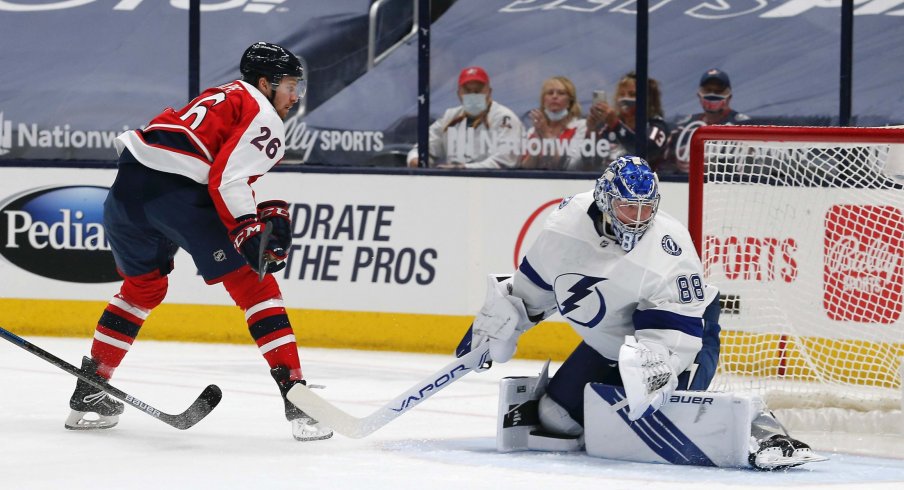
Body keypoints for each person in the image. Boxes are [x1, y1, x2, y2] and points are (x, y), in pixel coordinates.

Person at [456, 156, 824, 470]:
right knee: (556, 420)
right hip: (611, 343)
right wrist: (497, 325)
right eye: (628, 207)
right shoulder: (563, 228)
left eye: (647, 208)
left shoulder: (670, 247)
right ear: (604, 200)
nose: (638, 218)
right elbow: (530, 291)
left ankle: (763, 430)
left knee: (663, 407)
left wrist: (655, 368)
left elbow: (675, 332)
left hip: (687, 333)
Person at [64, 42, 332, 442]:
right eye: (291, 86)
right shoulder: (263, 112)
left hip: (127, 191)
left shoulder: (221, 94)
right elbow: (227, 178)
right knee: (256, 286)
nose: (295, 96)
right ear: (265, 83)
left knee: (141, 288)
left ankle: (90, 389)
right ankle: (297, 399)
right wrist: (248, 228)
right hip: (178, 196)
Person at [406, 66, 522, 169]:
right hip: (454, 185)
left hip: (495, 186)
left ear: (489, 92)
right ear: (458, 94)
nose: (473, 95)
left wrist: (464, 168)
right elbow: (422, 148)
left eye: (478, 91)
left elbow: (505, 161)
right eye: (467, 91)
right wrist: (415, 160)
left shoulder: (504, 118)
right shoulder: (449, 117)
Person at [661, 68, 751, 175]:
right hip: (685, 186)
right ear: (699, 95)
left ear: (729, 96)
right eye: (708, 90)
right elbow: (664, 166)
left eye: (719, 91)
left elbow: (752, 165)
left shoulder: (743, 126)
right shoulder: (684, 127)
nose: (712, 94)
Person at [583, 72, 669, 172]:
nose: (624, 98)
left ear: (648, 99)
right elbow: (588, 162)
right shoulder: (607, 127)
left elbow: (646, 152)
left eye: (632, 94)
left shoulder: (656, 125)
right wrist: (591, 131)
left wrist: (615, 124)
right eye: (621, 94)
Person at [519, 76, 586, 171]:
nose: (554, 96)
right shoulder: (533, 131)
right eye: (550, 93)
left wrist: (546, 136)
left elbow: (570, 166)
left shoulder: (581, 127)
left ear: (570, 102)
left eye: (561, 93)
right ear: (543, 101)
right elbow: (525, 168)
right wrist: (537, 143)